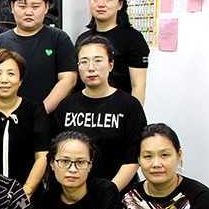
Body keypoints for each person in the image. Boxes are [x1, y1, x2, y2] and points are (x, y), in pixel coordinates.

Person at [51, 35, 147, 192]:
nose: (91, 68)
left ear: (111, 65)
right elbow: (55, 153)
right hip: (72, 193)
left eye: (98, 60)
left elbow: (133, 157)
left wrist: (108, 192)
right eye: (84, 62)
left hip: (116, 192)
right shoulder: (66, 106)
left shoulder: (129, 106)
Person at [0, 0, 76, 114]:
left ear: (46, 7)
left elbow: (68, 80)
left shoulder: (59, 39)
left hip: (48, 118)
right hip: (7, 117)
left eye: (35, 6)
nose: (28, 12)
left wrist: (40, 112)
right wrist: (1, 114)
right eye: (22, 6)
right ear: (12, 7)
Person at [0, 49, 49, 201]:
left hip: (29, 196)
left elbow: (42, 156)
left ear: (21, 79)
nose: (4, 80)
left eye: (11, 74)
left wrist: (25, 193)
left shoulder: (35, 110)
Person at [76, 0, 149, 105]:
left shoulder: (133, 39)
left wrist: (134, 114)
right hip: (86, 109)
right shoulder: (83, 39)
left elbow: (138, 86)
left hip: (118, 109)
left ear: (120, 4)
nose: (101, 4)